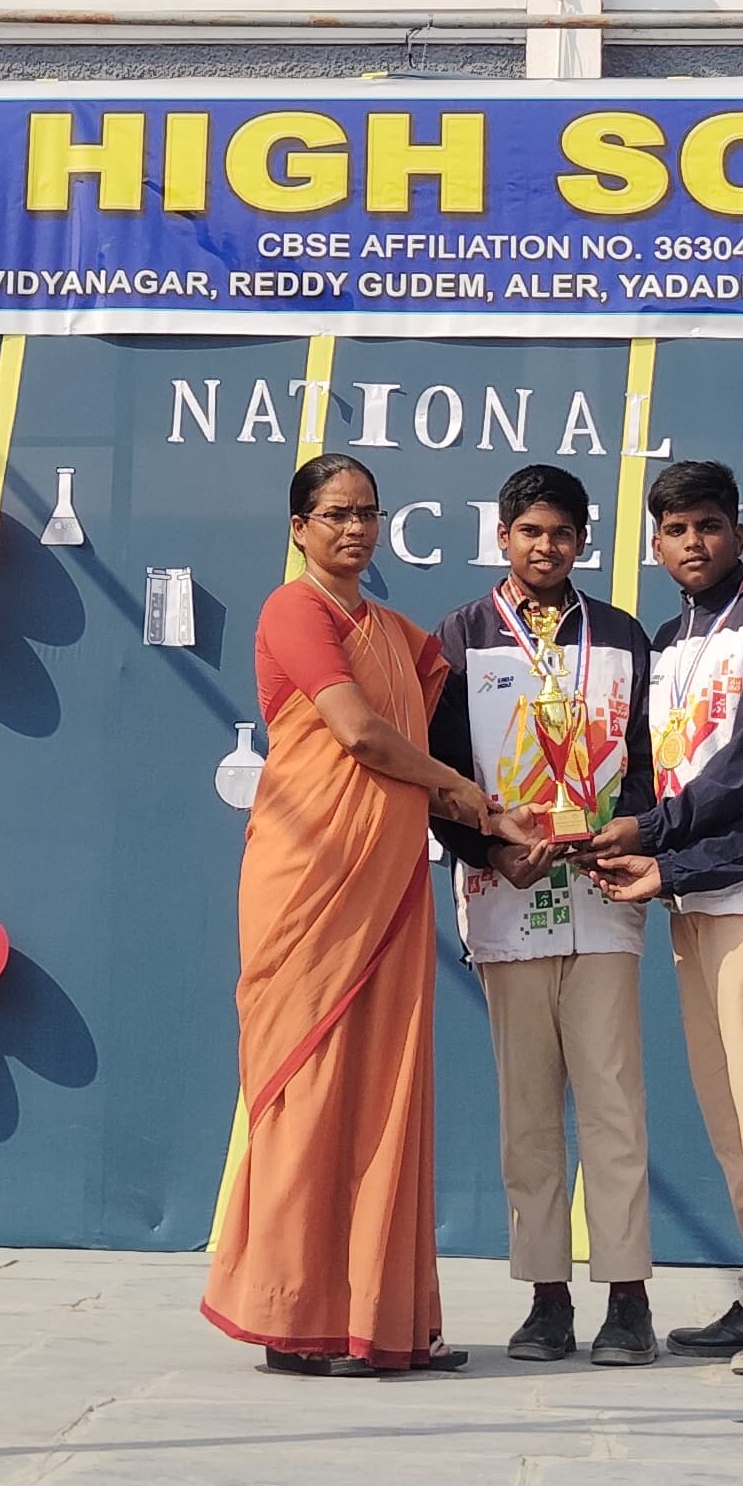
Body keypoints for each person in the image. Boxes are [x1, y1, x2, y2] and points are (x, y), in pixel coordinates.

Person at [202, 450, 535, 1376]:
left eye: (367, 513)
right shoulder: (294, 609)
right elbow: (359, 733)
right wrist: (473, 799)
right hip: (308, 884)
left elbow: (455, 704)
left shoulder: (398, 634)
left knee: (387, 1092)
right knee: (309, 1092)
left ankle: (381, 1323)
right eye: (336, 514)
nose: (355, 529)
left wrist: (513, 819)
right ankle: (293, 1321)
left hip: (387, 885)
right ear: (299, 528)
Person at [586, 459, 743, 1378]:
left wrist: (656, 837)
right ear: (654, 546)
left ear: (739, 533)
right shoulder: (669, 639)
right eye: (675, 530)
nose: (692, 542)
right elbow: (655, 765)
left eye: (708, 525)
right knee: (730, 1109)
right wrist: (639, 847)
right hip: (695, 896)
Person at [427, 462, 663, 1366]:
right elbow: (440, 777)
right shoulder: (460, 637)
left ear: (583, 542)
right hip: (506, 901)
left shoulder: (623, 635)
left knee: (614, 1102)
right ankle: (547, 1297)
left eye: (563, 533)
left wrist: (624, 833)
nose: (547, 546)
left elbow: (647, 761)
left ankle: (629, 1297)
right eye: (531, 531)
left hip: (602, 898)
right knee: (526, 1112)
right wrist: (490, 852)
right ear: (503, 537)